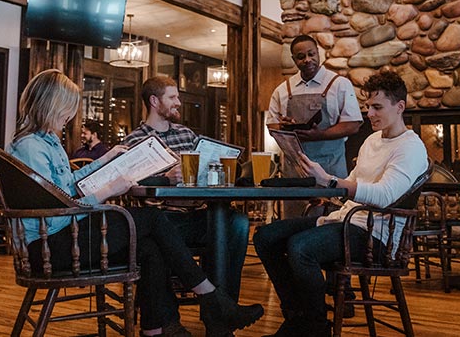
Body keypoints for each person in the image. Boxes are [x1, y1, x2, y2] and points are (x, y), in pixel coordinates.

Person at [8, 69, 263, 337]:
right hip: (49, 246)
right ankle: (211, 298)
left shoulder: (47, 142)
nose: (71, 117)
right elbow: (53, 214)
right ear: (51, 106)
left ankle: (154, 329)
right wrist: (108, 190)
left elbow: (68, 184)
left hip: (61, 236)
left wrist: (104, 161)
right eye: (67, 109)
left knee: (149, 246)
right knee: (150, 220)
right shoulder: (31, 148)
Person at [254, 71, 428, 337]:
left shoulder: (411, 147)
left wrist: (331, 182)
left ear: (400, 107)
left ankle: (314, 328)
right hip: (348, 220)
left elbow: (384, 196)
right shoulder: (372, 140)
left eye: (377, 107)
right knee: (266, 236)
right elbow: (352, 183)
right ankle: (298, 317)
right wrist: (325, 186)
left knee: (301, 248)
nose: (369, 113)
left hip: (376, 236)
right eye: (368, 106)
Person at [122, 76, 250, 330]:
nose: (179, 103)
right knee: (157, 240)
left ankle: (223, 309)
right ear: (154, 101)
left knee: (238, 223)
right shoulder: (135, 141)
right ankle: (203, 308)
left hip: (196, 213)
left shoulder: (186, 135)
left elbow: (201, 172)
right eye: (173, 97)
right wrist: (166, 178)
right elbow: (129, 185)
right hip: (162, 220)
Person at [266, 34, 363, 218]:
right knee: (293, 224)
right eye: (301, 57)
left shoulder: (339, 84)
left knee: (331, 224)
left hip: (331, 171)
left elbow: (353, 125)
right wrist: (284, 126)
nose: (307, 60)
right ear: (294, 59)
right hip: (294, 175)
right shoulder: (283, 90)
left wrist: (320, 134)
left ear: (318, 53)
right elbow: (272, 126)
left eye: (311, 54)